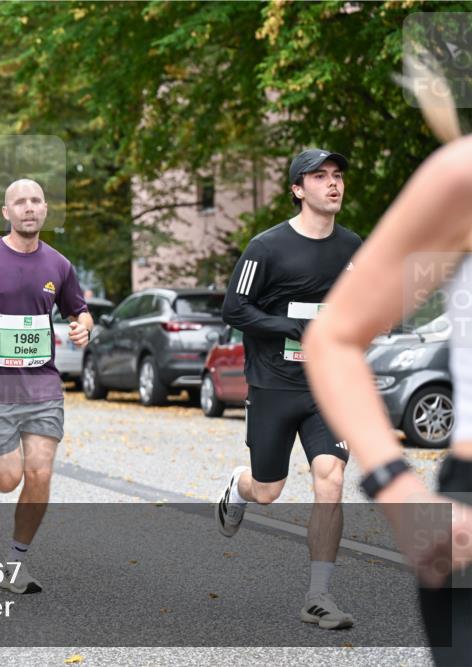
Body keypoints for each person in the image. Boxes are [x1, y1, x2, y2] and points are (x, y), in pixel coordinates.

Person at [303, 89, 471, 661]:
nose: (333, 184)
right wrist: (400, 493)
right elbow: (333, 336)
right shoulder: (462, 177)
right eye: (320, 176)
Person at [215, 148, 362, 629]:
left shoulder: (352, 247)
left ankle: (318, 596)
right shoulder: (266, 247)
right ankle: (239, 487)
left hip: (328, 386)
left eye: (337, 175)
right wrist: (289, 327)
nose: (332, 183)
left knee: (331, 478)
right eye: (319, 176)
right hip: (274, 384)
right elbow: (234, 309)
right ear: (298, 189)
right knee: (268, 490)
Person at [0, 179, 92, 594]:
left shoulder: (59, 264)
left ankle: (15, 564)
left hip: (42, 386)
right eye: (20, 202)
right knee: (7, 478)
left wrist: (83, 327)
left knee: (39, 474)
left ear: (46, 209)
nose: (29, 208)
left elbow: (80, 310)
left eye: (36, 201)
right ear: (6, 212)